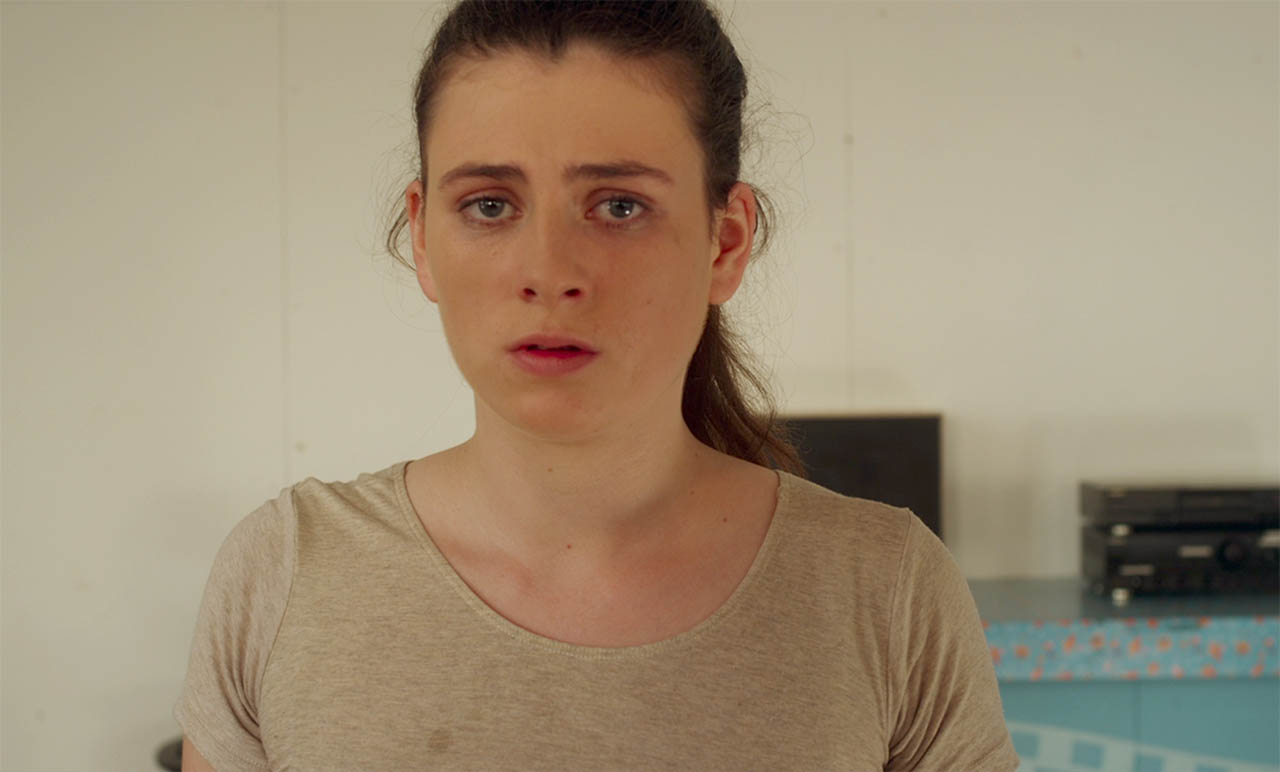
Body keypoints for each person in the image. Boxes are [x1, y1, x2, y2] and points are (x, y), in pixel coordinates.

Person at [174, 1, 1019, 769]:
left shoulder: (887, 590)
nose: (548, 272)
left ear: (725, 242)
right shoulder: (283, 575)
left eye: (618, 206)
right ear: (424, 238)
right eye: (490, 205)